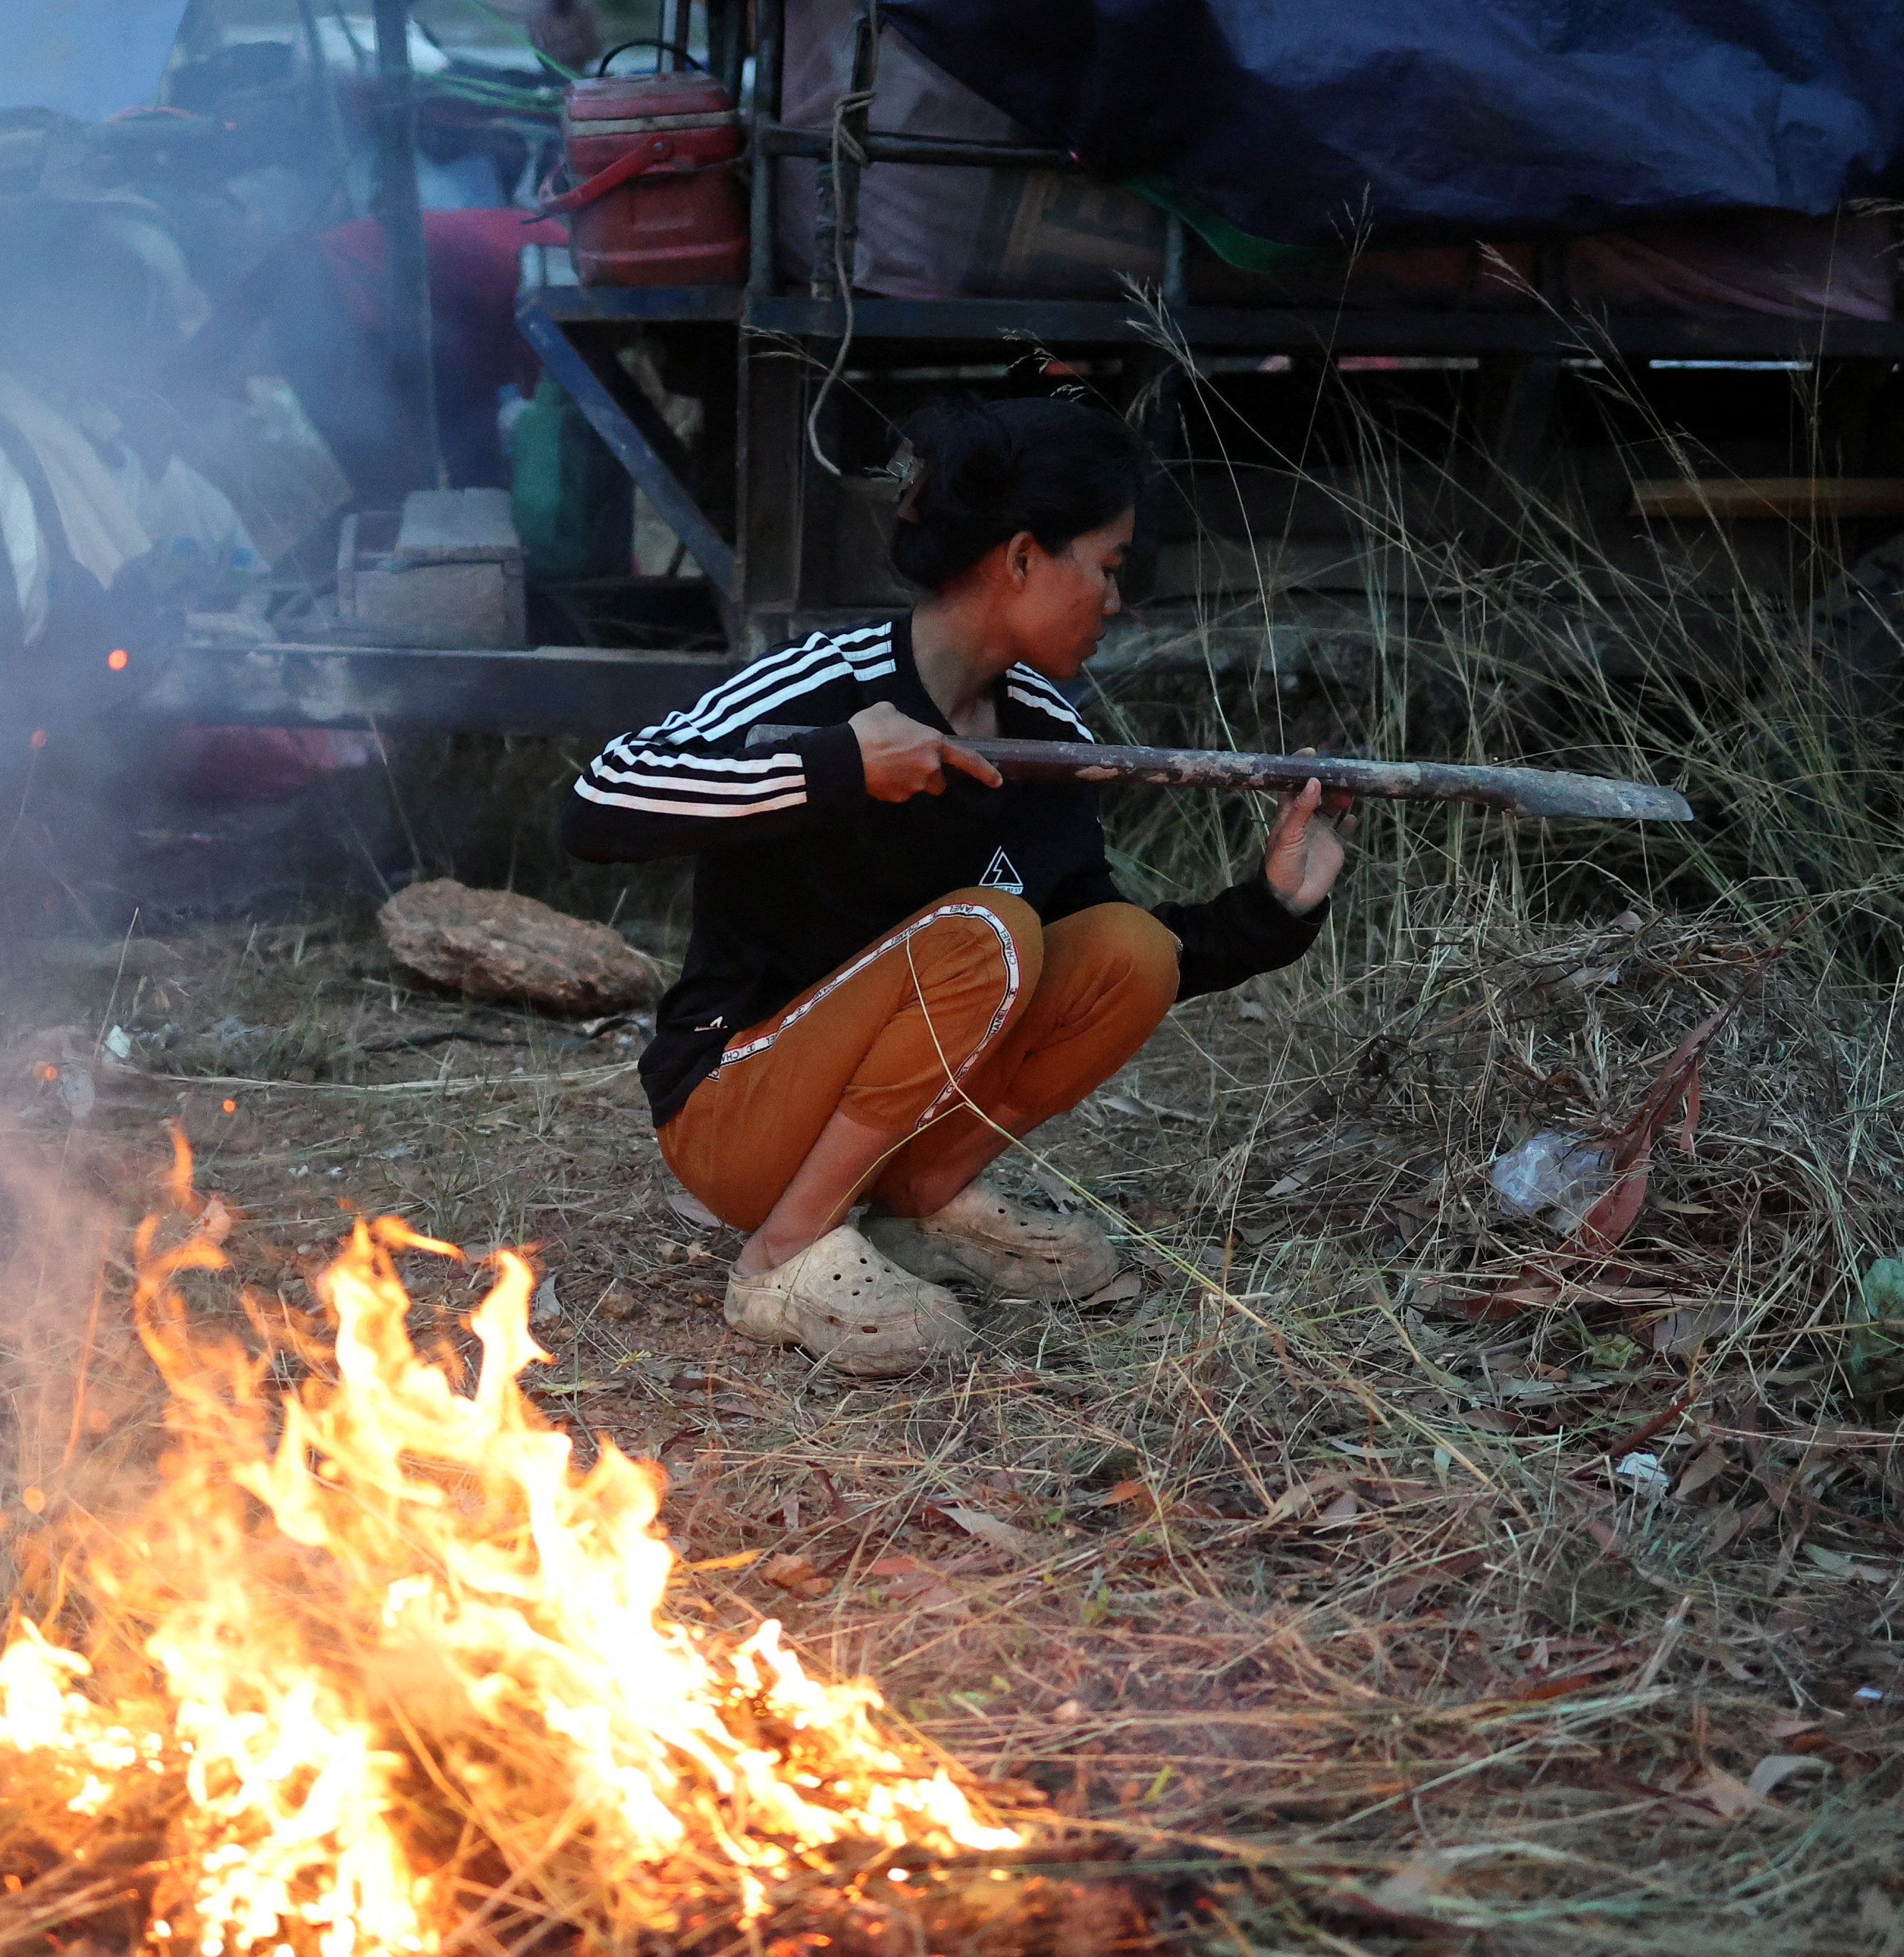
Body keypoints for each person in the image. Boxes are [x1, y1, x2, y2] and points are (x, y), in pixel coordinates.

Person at [559, 396, 1344, 1373]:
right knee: (990, 932)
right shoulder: (827, 683)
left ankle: (921, 1204)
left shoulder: (1049, 733)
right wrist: (836, 767)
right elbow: (597, 800)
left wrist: (1269, 910)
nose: (1118, 600)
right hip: (736, 1109)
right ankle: (782, 1254)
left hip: (883, 1127)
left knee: (1120, 948)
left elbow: (1087, 948)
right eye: (1106, 566)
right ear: (1022, 559)